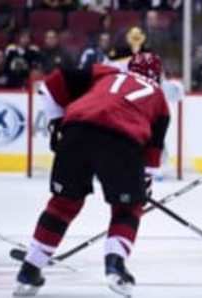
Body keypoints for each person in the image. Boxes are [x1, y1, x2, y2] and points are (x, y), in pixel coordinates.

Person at [13, 52, 170, 297]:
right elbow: (153, 153)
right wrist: (144, 184)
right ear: (158, 76)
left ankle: (30, 269)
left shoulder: (106, 73)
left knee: (63, 205)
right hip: (121, 139)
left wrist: (56, 124)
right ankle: (115, 265)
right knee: (127, 209)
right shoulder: (159, 98)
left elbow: (50, 85)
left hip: (76, 129)